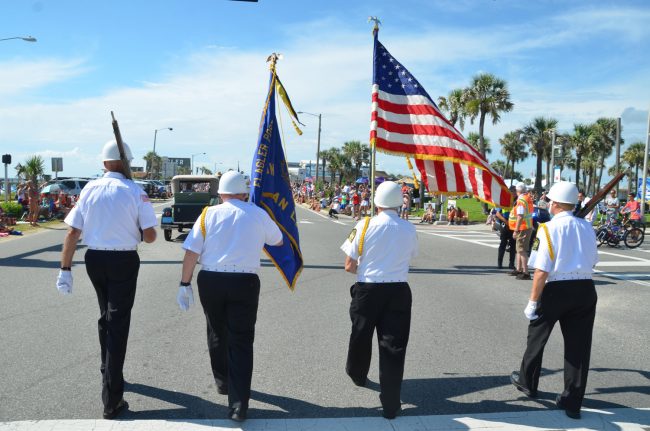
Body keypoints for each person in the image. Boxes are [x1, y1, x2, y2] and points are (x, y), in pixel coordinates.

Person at [57, 140, 158, 420]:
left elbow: (72, 232)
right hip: (123, 260)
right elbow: (150, 236)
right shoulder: (135, 191)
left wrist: (65, 269)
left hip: (95, 259)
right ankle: (112, 398)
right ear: (126, 163)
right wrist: (135, 229)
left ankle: (107, 368)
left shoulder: (89, 189)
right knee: (118, 323)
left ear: (104, 163)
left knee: (106, 316)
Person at [178, 171, 282, 423]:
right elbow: (277, 241)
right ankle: (238, 405)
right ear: (244, 192)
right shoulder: (257, 214)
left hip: (211, 279)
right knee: (242, 340)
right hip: (244, 281)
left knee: (216, 330)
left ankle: (223, 381)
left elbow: (192, 251)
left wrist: (184, 283)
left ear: (221, 191)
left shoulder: (207, 214)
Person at [510, 181, 598, 420]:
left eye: (549, 201)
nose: (547, 204)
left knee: (537, 337)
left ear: (557, 203)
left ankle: (528, 382)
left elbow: (541, 270)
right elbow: (593, 261)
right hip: (585, 288)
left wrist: (532, 301)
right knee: (579, 347)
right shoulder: (587, 227)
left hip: (556, 288)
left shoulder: (548, 229)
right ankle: (573, 402)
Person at [340, 181, 418, 420]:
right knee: (393, 346)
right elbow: (410, 258)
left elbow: (349, 265)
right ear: (399, 203)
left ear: (376, 203)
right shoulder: (409, 229)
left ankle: (357, 373)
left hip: (368, 289)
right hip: (398, 288)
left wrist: (366, 273)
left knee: (360, 334)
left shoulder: (364, 225)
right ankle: (391, 404)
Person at [509, 183, 534, 280]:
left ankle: (525, 272)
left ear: (517, 190)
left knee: (521, 250)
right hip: (526, 226)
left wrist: (516, 230)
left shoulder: (521, 200)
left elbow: (520, 216)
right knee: (519, 249)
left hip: (522, 227)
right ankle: (519, 269)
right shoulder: (527, 198)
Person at [496, 188, 516, 269]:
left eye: (515, 192)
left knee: (513, 245)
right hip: (505, 224)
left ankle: (511, 264)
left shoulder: (517, 201)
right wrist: (506, 221)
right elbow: (497, 214)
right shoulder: (503, 200)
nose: (514, 194)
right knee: (503, 244)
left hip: (514, 225)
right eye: (512, 192)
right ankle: (499, 263)